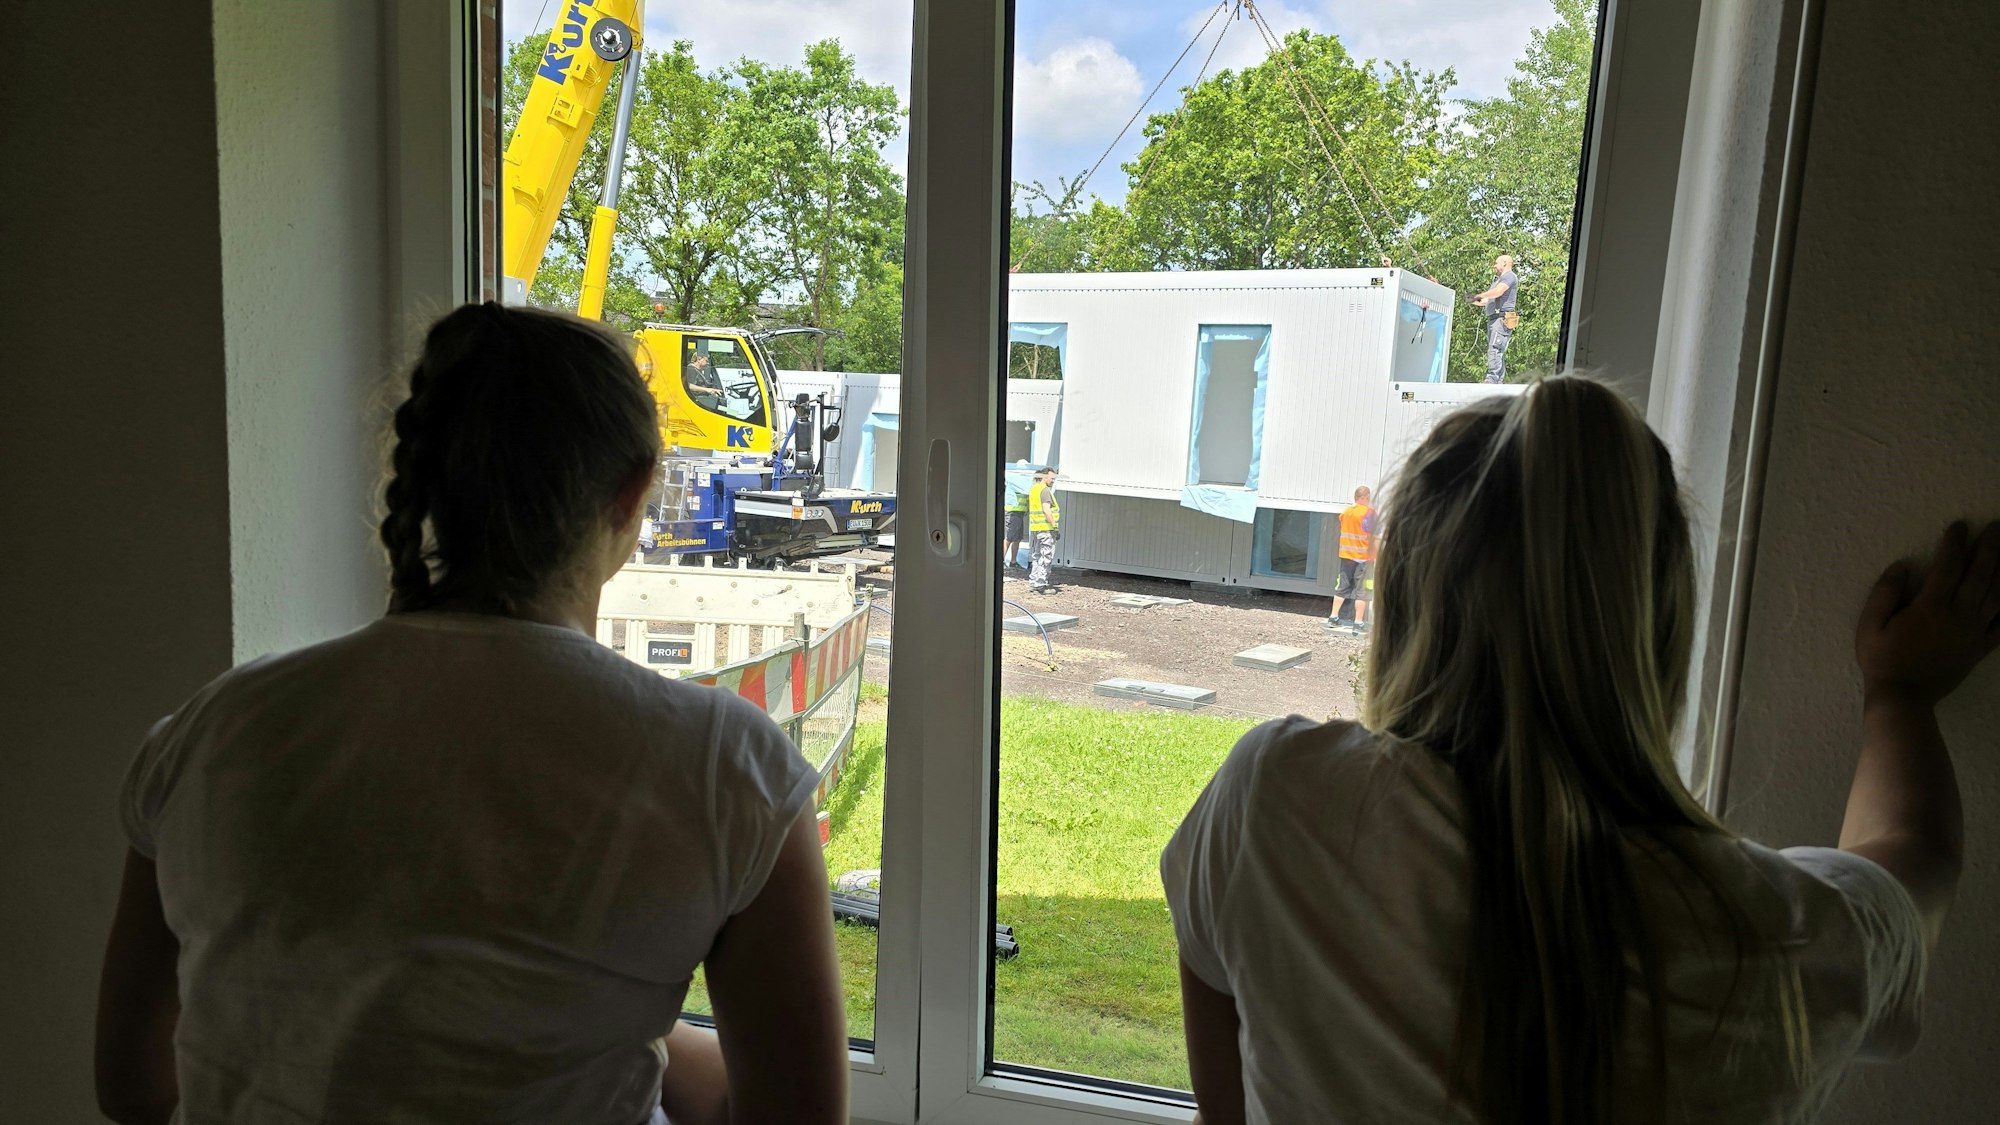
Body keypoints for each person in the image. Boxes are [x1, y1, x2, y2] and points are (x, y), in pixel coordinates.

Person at [1163, 376, 1995, 1125]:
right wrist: (1900, 695)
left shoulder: (1278, 802)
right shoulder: (1774, 940)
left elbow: (1216, 1021)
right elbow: (1914, 862)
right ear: (1657, 633)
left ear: (1407, 608)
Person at [93, 304, 848, 1125]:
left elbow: (132, 1087)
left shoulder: (210, 732)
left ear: (424, 479)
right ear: (630, 495)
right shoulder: (728, 768)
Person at [1326, 485, 1375, 635]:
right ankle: (1358, 623)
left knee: (1342, 586)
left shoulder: (1346, 513)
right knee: (1363, 590)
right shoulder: (1369, 514)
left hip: (1347, 556)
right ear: (1365, 497)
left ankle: (1333, 617)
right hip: (1363, 558)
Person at [1469, 253, 1518, 384]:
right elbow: (1487, 300)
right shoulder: (1498, 281)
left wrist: (1478, 295)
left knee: (1495, 348)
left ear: (1505, 263)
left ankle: (1493, 379)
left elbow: (1498, 292)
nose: (1494, 266)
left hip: (1501, 319)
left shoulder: (1509, 277)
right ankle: (1497, 379)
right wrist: (1472, 300)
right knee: (1496, 349)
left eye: (1496, 263)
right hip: (1494, 319)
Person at [1027, 465, 1062, 594]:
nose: (1053, 481)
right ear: (1045, 476)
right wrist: (1054, 526)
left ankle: (1034, 581)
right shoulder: (1045, 490)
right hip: (1046, 530)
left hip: (1036, 529)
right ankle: (1041, 584)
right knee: (1046, 556)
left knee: (1036, 556)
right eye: (1052, 478)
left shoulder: (1034, 489)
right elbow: (1046, 510)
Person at [1002, 460, 1033, 572]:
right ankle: (1001, 561)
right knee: (1009, 537)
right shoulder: (1015, 479)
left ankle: (1013, 562)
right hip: (1013, 512)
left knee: (1017, 538)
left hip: (1019, 512)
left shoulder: (1022, 480)